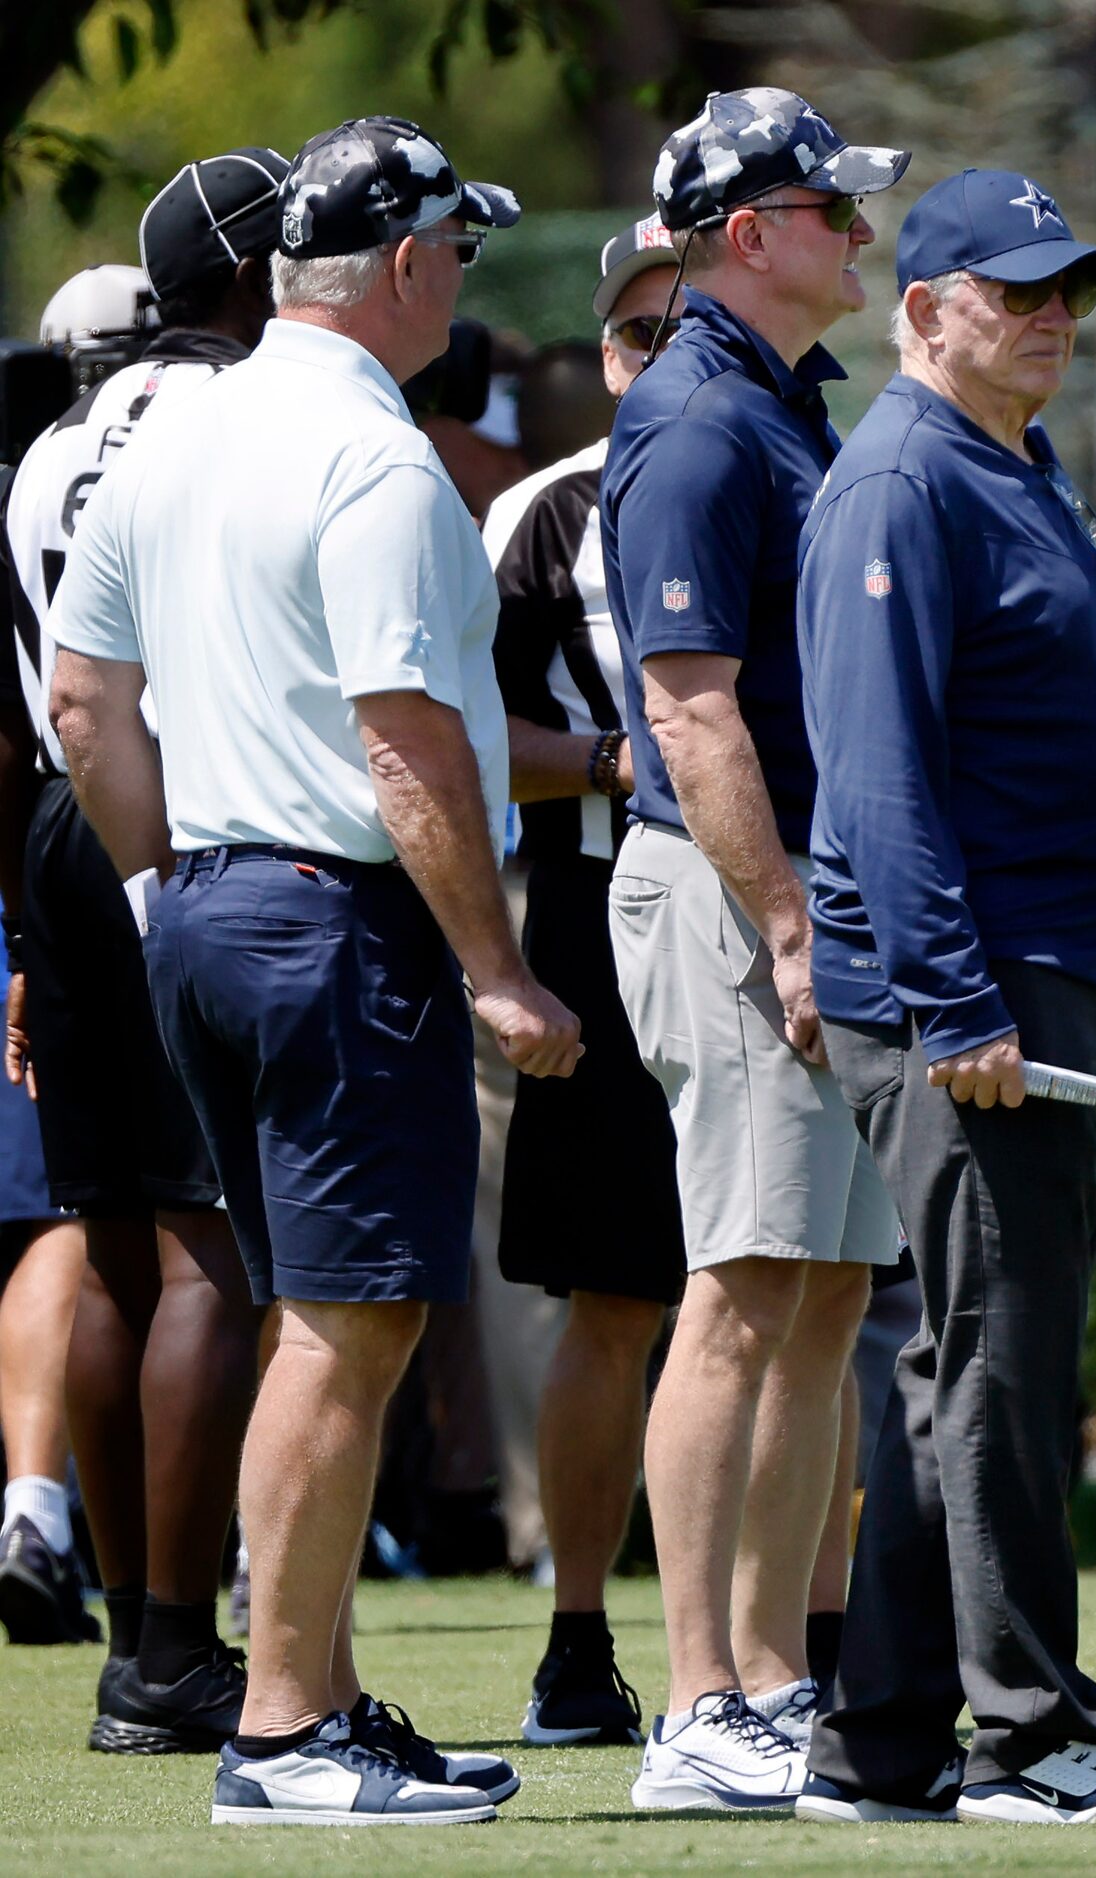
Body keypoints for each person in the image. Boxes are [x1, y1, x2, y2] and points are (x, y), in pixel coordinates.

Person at [47, 115, 577, 1829]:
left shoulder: (173, 436)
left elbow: (81, 705)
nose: (464, 287)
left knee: (308, 1325)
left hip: (201, 904)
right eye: (459, 254)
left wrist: (155, 884)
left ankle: (321, 1697)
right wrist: (498, 968)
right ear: (408, 267)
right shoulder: (378, 458)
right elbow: (410, 740)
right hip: (332, 917)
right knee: (351, 1332)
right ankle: (282, 1732)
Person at [794, 167, 1096, 1827]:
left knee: (954, 1370)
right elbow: (879, 770)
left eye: (1074, 291)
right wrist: (953, 997)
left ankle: (883, 1741)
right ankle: (1033, 1736)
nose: (1055, 315)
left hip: (1043, 978)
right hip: (979, 1001)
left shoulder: (1009, 458)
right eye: (1018, 287)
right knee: (1005, 1366)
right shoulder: (899, 478)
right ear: (923, 309)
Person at [600, 88, 909, 1811]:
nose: (857, 236)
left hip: (790, 896)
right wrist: (787, 928)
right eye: (829, 211)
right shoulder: (707, 426)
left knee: (822, 1289)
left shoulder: (782, 405)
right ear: (746, 236)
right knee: (739, 1288)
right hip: (734, 897)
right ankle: (702, 1697)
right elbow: (688, 710)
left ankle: (776, 1672)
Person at [2, 168, 296, 1749]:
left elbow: (22, 704)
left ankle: (137, 1640)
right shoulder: (234, 420)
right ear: (253, 273)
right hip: (178, 805)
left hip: (56, 818)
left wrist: (26, 929)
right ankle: (178, 1645)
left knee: (112, 1237)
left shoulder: (53, 440)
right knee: (210, 1248)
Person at [485, 213, 685, 1746]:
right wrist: (629, 758)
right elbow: (470, 739)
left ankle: (800, 1643)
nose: (660, 358)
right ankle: (575, 1637)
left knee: (803, 1289)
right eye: (633, 334)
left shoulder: (817, 477)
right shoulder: (547, 514)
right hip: (600, 900)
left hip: (787, 912)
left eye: (690, 325)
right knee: (615, 1293)